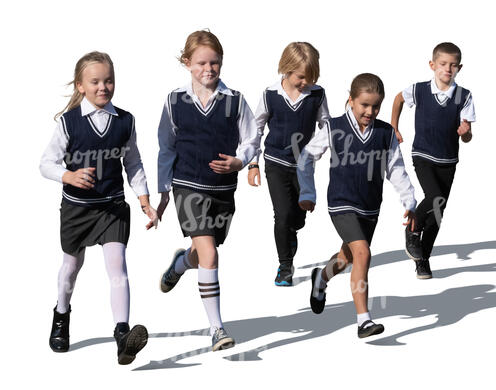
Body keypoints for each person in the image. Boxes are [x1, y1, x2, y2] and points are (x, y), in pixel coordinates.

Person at [40, 51, 156, 365]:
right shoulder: (69, 122)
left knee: (117, 266)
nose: (103, 87)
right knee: (71, 269)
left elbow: (133, 163)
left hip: (113, 207)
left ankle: (122, 334)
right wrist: (69, 175)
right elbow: (46, 163)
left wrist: (144, 199)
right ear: (80, 85)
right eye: (95, 82)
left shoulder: (125, 121)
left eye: (108, 81)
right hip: (77, 209)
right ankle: (61, 315)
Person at [156, 30, 258, 351]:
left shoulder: (234, 101)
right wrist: (162, 192)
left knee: (205, 253)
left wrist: (240, 162)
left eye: (215, 62)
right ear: (187, 63)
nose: (209, 69)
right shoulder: (175, 101)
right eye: (201, 62)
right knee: (210, 254)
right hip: (187, 185)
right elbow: (165, 147)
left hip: (223, 191)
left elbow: (252, 140)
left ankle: (181, 263)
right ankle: (217, 329)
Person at [298, 73, 417, 338]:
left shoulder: (385, 133)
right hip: (341, 203)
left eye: (376, 106)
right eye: (364, 105)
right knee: (362, 253)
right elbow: (306, 157)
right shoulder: (334, 127)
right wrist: (308, 192)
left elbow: (396, 169)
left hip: (370, 207)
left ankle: (321, 277)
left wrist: (410, 201)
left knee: (348, 257)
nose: (370, 111)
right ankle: (364, 320)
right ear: (350, 100)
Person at [247, 42, 330, 286]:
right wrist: (253, 163)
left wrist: (316, 150)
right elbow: (256, 128)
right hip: (275, 163)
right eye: (302, 77)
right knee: (281, 215)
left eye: (311, 77)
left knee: (298, 217)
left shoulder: (317, 94)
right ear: (286, 69)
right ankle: (285, 266)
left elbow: (326, 125)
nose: (306, 82)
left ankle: (292, 231)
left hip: (304, 166)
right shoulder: (270, 95)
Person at [391, 42, 476, 279]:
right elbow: (398, 99)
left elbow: (467, 137)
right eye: (442, 64)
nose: (447, 69)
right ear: (432, 65)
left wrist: (465, 131)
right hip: (423, 155)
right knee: (434, 198)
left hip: (448, 160)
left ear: (459, 67)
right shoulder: (418, 90)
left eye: (453, 65)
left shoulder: (464, 96)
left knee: (438, 212)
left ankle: (422, 259)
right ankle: (413, 228)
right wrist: (394, 127)